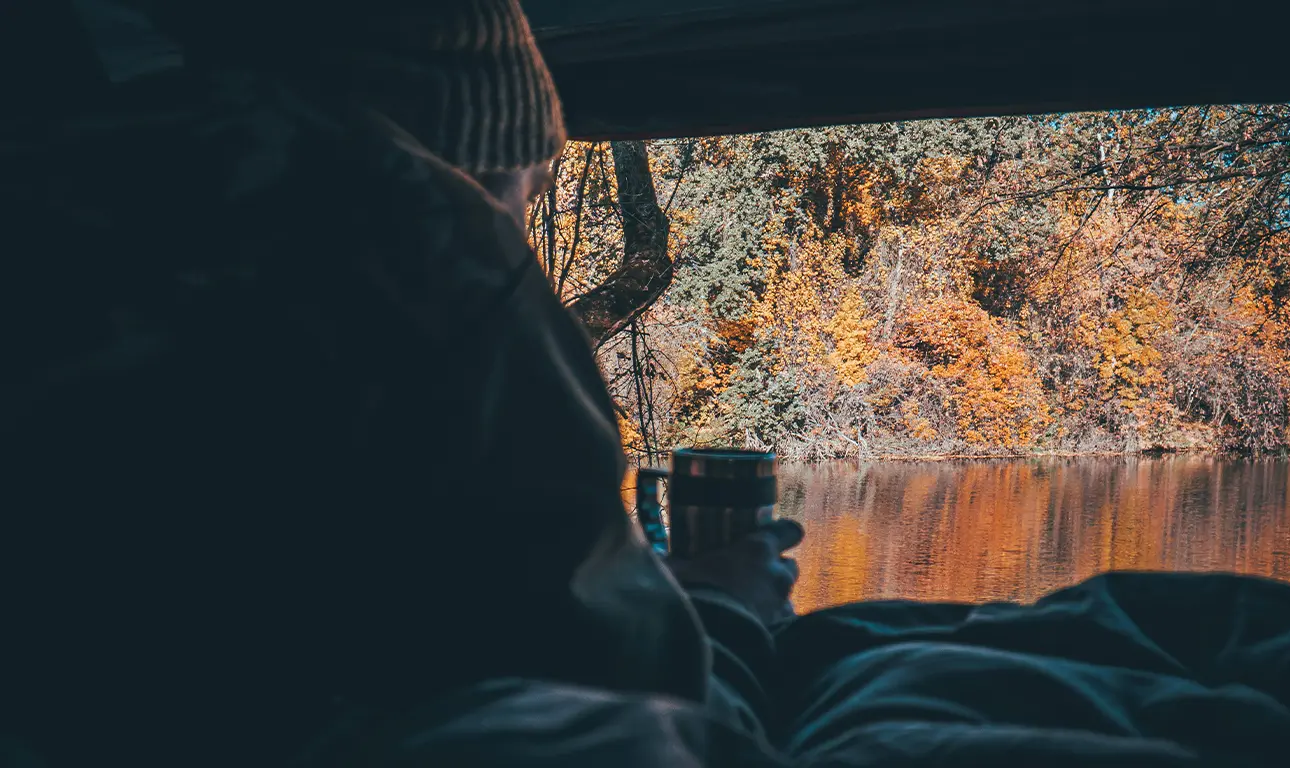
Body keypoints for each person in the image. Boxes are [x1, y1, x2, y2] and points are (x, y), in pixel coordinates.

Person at [0, 1, 799, 765]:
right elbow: (617, 695)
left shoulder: (55, 191)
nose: (518, 231)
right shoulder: (420, 239)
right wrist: (722, 608)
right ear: (468, 163)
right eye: (523, 196)